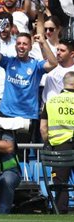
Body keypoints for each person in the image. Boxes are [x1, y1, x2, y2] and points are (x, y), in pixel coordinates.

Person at [40, 71, 74, 213]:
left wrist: (49, 141)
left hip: (60, 147)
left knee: (61, 184)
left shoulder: (51, 102)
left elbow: (43, 129)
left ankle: (61, 213)